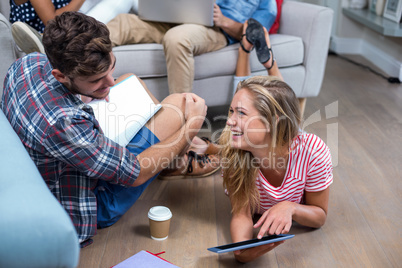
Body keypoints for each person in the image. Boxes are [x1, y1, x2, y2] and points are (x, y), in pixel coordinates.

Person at [1, 11, 220, 247]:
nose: (110, 82)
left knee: (132, 81)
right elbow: (135, 173)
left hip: (66, 162)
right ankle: (176, 157)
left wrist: (89, 93)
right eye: (96, 80)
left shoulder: (26, 63)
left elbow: (60, 105)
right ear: (60, 75)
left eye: (109, 69)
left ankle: (172, 159)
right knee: (180, 105)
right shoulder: (64, 124)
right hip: (87, 203)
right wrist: (191, 126)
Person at [218, 20, 333, 263]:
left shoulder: (313, 150)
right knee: (248, 97)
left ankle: (266, 60)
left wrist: (290, 207)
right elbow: (241, 213)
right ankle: (250, 52)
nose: (229, 121)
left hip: (285, 136)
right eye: (230, 113)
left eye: (240, 115)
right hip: (274, 133)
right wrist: (242, 250)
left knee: (284, 106)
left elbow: (320, 216)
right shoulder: (234, 153)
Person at [106, 0, 278, 94]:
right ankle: (82, 87)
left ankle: (179, 119)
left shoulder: (267, 3)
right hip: (174, 18)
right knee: (123, 22)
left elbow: (255, 33)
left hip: (215, 31)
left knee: (177, 38)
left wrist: (224, 20)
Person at [9, 0, 137, 53]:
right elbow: (53, 21)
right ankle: (45, 43)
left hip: (68, 23)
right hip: (56, 32)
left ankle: (154, 17)